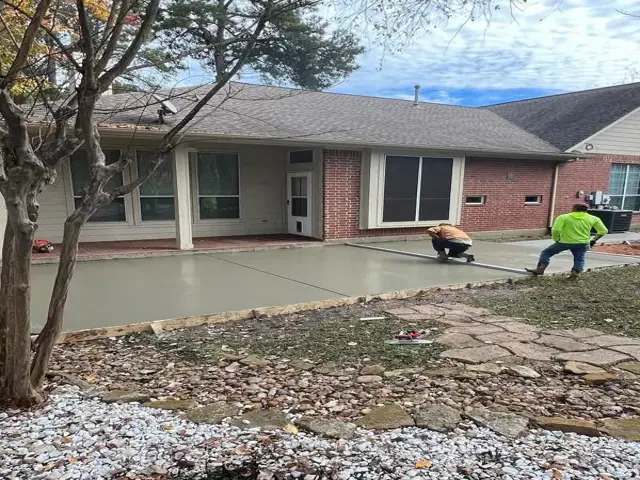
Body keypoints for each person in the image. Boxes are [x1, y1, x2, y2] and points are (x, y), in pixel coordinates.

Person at [526, 203, 608, 279]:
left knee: (546, 252)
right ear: (586, 210)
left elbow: (556, 230)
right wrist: (593, 240)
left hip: (565, 242)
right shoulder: (593, 218)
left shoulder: (563, 217)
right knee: (579, 258)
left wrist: (556, 238)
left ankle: (540, 269)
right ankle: (575, 274)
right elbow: (603, 231)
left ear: (573, 209)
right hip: (583, 243)